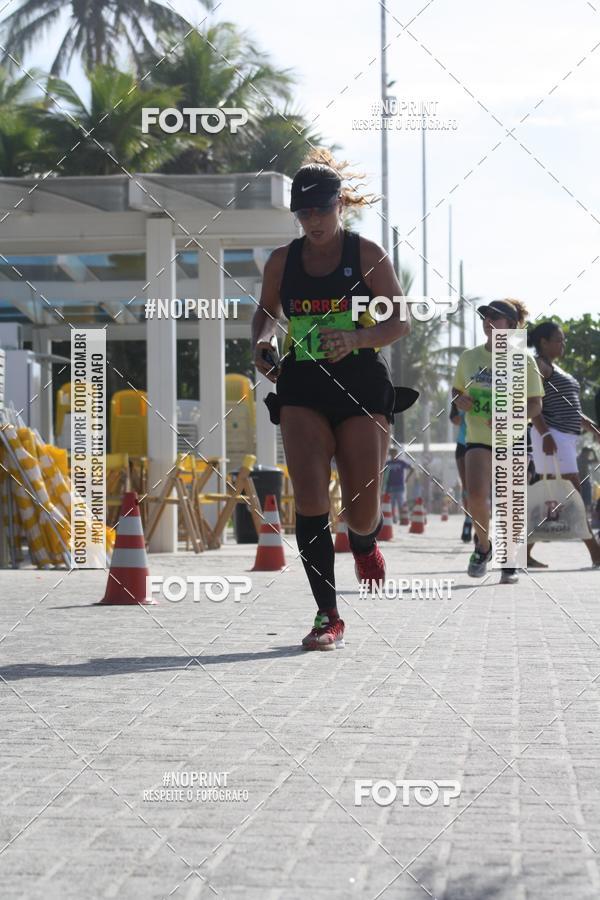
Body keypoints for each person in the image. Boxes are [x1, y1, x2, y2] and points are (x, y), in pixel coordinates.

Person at [252, 149, 417, 651]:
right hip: (302, 385)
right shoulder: (283, 260)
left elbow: (399, 321)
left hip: (362, 387)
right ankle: (328, 614)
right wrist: (263, 342)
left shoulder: (366, 254)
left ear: (339, 205)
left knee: (360, 512)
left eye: (321, 211)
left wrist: (357, 340)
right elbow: (264, 314)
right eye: (303, 214)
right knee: (309, 497)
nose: (313, 221)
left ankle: (365, 541)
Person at [452, 299, 544, 584]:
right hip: (478, 437)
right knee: (475, 496)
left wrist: (513, 418)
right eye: (485, 317)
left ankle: (509, 559)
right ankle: (483, 546)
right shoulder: (469, 357)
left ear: (513, 326)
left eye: (496, 317)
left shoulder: (523, 360)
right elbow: (456, 396)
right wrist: (460, 401)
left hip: (513, 438)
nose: (488, 322)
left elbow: (535, 405)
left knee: (509, 503)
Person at [527, 321, 600, 568]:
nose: (563, 344)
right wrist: (545, 435)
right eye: (558, 340)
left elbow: (570, 406)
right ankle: (596, 553)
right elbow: (532, 403)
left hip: (564, 439)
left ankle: (522, 552)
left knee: (555, 499)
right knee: (572, 497)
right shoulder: (540, 366)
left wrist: (591, 426)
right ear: (543, 342)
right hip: (552, 437)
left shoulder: (554, 369)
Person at [449, 402, 472, 542]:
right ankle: (468, 519)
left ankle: (481, 521)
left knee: (479, 486)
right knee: (466, 485)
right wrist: (462, 409)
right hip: (462, 445)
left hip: (482, 443)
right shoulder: (458, 396)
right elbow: (455, 420)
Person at [382, 449, 413, 522]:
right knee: (391, 504)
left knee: (400, 503)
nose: (393, 455)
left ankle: (403, 518)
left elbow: (412, 469)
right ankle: (392, 519)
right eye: (391, 453)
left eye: (394, 453)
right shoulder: (387, 463)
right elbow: (382, 472)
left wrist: (407, 478)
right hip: (389, 487)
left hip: (399, 486)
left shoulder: (401, 462)